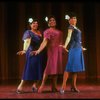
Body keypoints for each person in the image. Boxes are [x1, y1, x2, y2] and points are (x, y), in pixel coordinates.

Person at [30, 15, 64, 93]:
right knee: (48, 68)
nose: (52, 21)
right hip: (51, 51)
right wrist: (38, 50)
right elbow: (44, 42)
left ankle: (54, 87)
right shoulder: (47, 31)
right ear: (48, 23)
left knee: (56, 69)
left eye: (53, 20)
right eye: (50, 21)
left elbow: (61, 42)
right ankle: (42, 86)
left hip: (58, 51)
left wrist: (62, 50)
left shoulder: (60, 32)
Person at [59, 13, 87, 94]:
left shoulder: (76, 28)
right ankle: (63, 86)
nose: (74, 19)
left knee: (75, 69)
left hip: (78, 49)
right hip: (74, 49)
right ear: (69, 20)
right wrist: (65, 45)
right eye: (72, 18)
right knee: (69, 67)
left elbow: (78, 40)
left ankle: (73, 86)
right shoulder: (70, 27)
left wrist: (81, 47)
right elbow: (68, 37)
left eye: (75, 18)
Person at [16, 18, 44, 94]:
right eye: (33, 23)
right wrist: (24, 50)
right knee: (29, 68)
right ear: (30, 25)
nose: (35, 24)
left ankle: (34, 85)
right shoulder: (28, 32)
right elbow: (27, 42)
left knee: (39, 69)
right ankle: (20, 86)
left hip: (39, 53)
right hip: (31, 52)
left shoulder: (40, 32)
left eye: (36, 23)